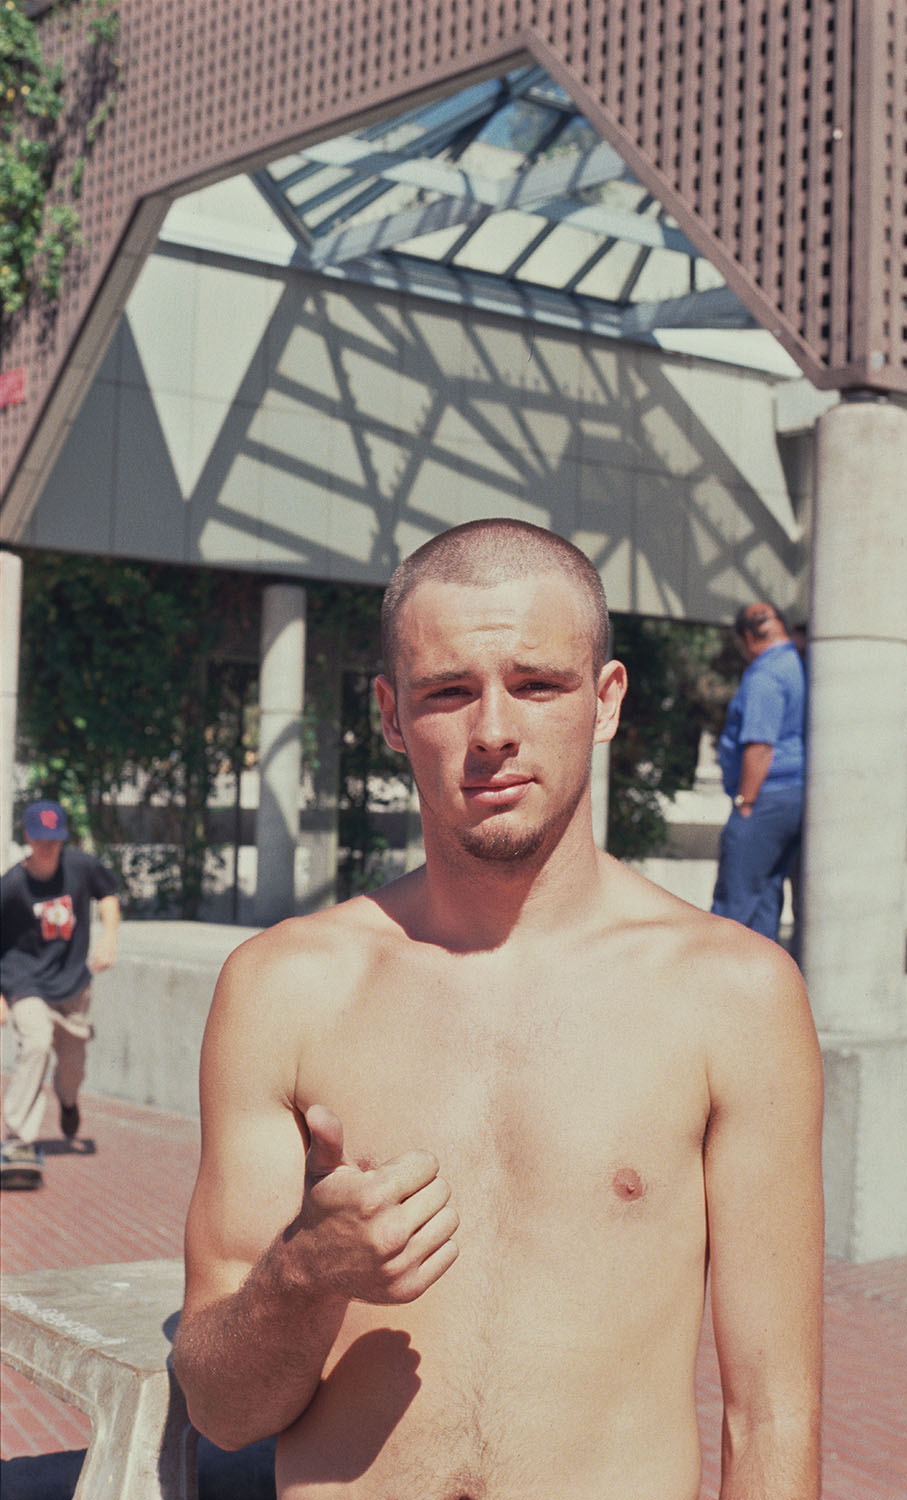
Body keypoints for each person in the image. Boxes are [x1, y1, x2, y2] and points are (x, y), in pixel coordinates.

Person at [175, 520, 824, 1500]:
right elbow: (223, 1415)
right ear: (391, 717)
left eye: (537, 684)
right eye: (447, 692)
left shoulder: (731, 995)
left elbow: (769, 1415)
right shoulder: (285, 987)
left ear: (604, 702)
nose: (491, 732)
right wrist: (303, 1275)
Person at [0, 800, 120, 1189]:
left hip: (72, 986)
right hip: (25, 982)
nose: (48, 846)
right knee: (35, 1043)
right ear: (28, 838)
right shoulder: (12, 885)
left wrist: (109, 938)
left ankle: (67, 1101)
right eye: (41, 839)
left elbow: (108, 895)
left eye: (55, 839)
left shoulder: (81, 867)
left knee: (72, 1067)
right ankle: (18, 1141)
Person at [711, 602, 807, 943]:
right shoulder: (796, 665)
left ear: (748, 637)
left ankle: (720, 992)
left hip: (765, 798)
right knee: (765, 897)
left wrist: (745, 802)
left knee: (733, 904)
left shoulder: (766, 674)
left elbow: (760, 744)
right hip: (792, 796)